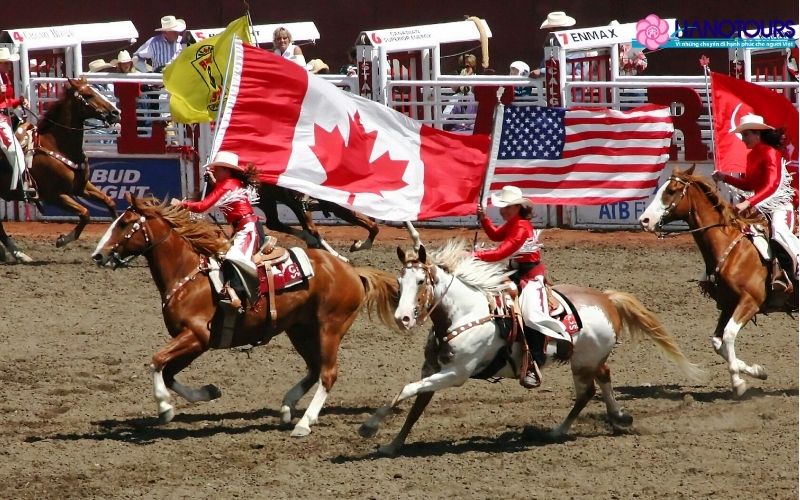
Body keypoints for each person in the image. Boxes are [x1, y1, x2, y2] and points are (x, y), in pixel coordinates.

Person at [473, 185, 569, 388]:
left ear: (518, 207)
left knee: (531, 314)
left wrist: (475, 255)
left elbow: (501, 252)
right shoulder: (514, 222)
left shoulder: (522, 227)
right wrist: (484, 220)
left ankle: (535, 359)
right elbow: (497, 237)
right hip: (515, 273)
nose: (504, 210)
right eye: (503, 207)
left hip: (531, 276)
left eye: (508, 207)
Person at [712, 114, 799, 293]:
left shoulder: (770, 152)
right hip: (759, 205)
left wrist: (748, 203)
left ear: (757, 135)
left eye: (746, 135)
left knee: (778, 229)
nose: (743, 139)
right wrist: (725, 177)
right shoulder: (752, 155)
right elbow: (750, 184)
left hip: (779, 205)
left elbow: (772, 185)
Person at [172, 151, 260, 308]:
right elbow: (221, 193)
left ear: (226, 171)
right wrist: (214, 182)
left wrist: (181, 204)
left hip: (247, 229)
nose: (214, 171)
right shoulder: (231, 183)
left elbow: (202, 206)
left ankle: (238, 296)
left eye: (217, 169)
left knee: (234, 257)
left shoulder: (228, 185)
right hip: (244, 227)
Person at [0, 46, 34, 199]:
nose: (9, 65)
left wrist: (18, 102)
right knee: (14, 149)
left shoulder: (4, 77)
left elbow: (5, 100)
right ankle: (21, 184)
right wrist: (15, 102)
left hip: (6, 117)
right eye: (6, 63)